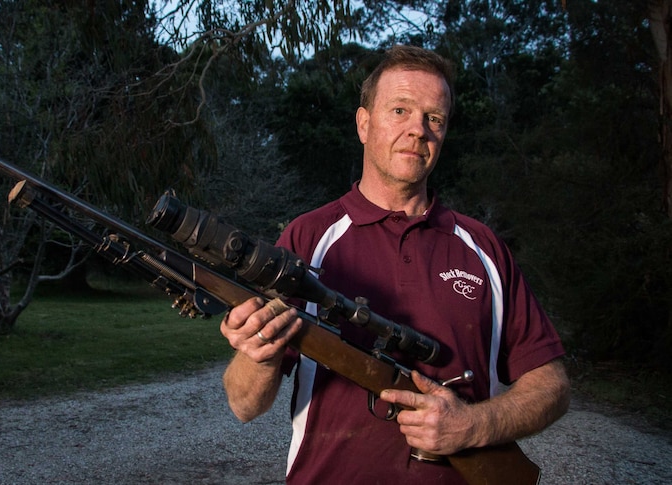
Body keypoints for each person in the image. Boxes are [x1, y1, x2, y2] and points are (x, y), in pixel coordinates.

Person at [219, 45, 570, 484]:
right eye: (400, 110)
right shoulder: (309, 238)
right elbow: (243, 403)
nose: (418, 130)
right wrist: (259, 355)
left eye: (434, 118)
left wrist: (473, 426)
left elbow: (552, 385)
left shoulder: (484, 249)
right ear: (364, 124)